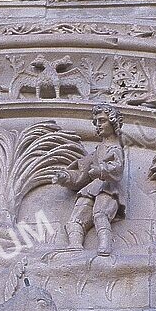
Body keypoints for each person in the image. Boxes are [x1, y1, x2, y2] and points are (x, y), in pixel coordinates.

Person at [55, 104, 125, 256]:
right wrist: (66, 177)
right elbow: (83, 173)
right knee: (75, 219)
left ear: (113, 122)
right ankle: (75, 245)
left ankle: (105, 245)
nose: (98, 125)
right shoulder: (98, 150)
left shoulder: (116, 148)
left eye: (102, 121)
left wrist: (101, 171)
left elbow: (118, 168)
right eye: (96, 122)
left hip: (108, 188)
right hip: (92, 188)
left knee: (100, 214)